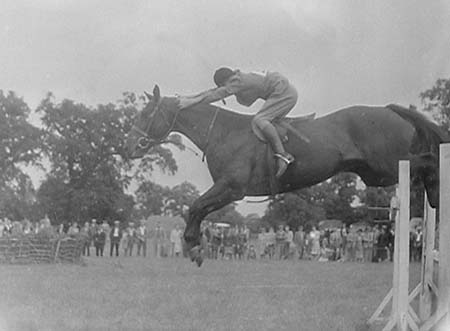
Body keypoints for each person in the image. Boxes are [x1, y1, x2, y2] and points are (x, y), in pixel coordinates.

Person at [177, 68, 298, 177]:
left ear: (225, 82)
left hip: (284, 94)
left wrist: (190, 103)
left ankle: (283, 156)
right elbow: (212, 91)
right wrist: (188, 98)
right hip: (284, 91)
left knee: (260, 120)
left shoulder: (237, 81)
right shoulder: (238, 78)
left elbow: (215, 95)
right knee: (263, 120)